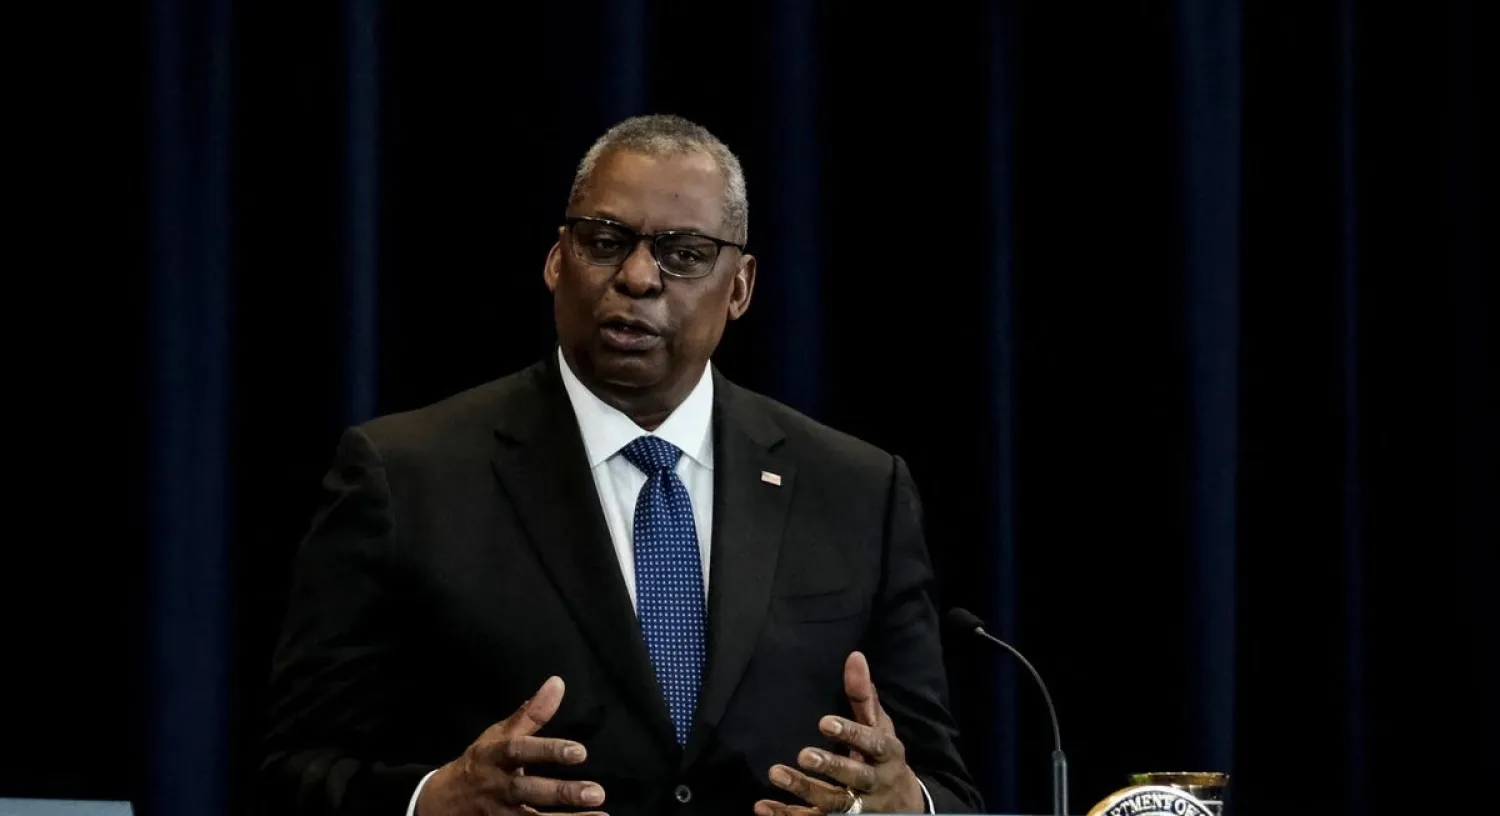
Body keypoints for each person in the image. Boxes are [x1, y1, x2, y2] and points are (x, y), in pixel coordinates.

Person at [256, 114, 981, 816]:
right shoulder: (406, 476)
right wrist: (432, 801)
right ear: (554, 260)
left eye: (684, 253)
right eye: (604, 242)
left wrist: (902, 805)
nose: (637, 277)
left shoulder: (857, 492)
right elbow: (291, 772)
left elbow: (943, 785)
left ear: (740, 286)